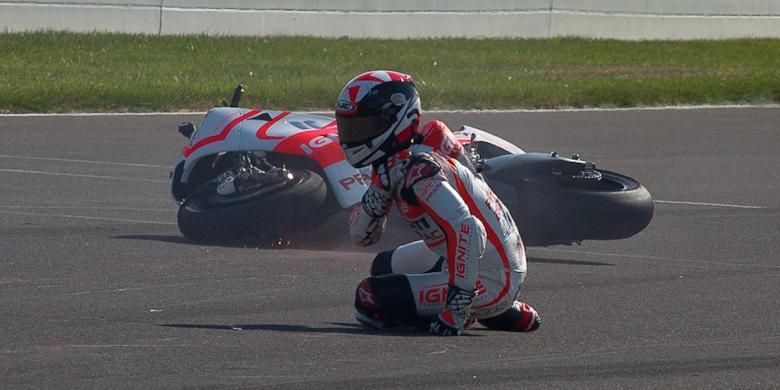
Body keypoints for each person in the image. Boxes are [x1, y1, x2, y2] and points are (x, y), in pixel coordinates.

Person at [335, 70, 540, 336]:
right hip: (461, 253)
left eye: (363, 126)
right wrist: (377, 195)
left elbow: (469, 229)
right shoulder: (395, 160)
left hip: (490, 270)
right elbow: (361, 237)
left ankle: (486, 304)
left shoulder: (420, 172)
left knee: (369, 299)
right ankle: (502, 312)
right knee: (382, 267)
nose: (352, 137)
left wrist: (455, 309)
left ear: (393, 121)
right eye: (349, 127)